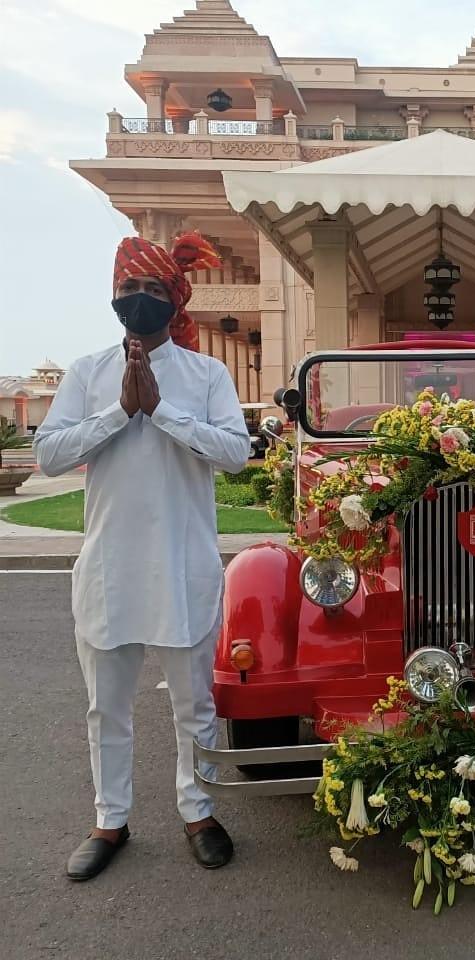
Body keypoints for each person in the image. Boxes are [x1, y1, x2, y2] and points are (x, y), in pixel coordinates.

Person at [34, 232, 251, 881]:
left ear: (175, 298)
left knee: (195, 704)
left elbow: (235, 454)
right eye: (129, 289)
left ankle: (199, 811)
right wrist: (119, 410)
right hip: (109, 570)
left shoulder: (206, 374)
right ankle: (110, 820)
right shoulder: (87, 373)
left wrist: (159, 413)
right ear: (114, 295)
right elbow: (49, 452)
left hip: (183, 569)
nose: (139, 300)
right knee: (107, 706)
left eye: (153, 290)